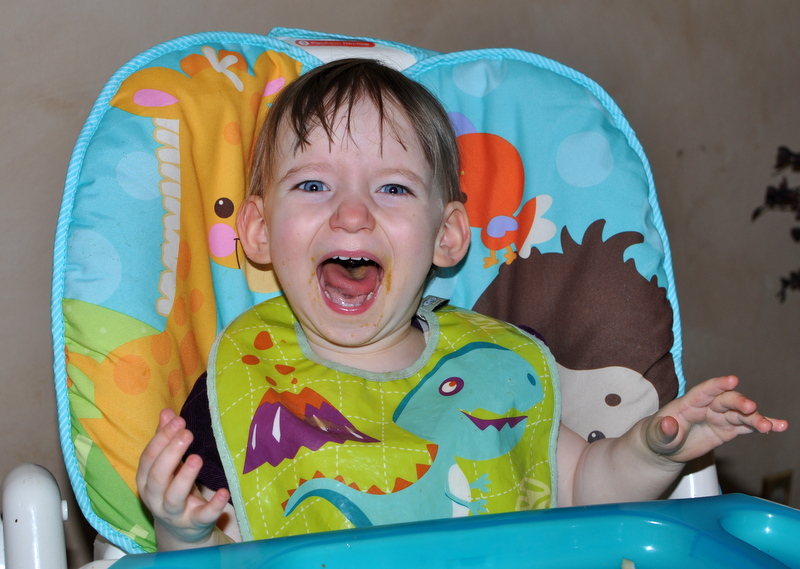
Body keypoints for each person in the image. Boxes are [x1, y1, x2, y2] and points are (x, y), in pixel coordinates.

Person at [136, 58, 788, 551]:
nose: (352, 213)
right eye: (312, 184)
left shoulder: (493, 369)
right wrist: (181, 530)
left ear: (447, 235)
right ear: (257, 230)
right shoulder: (246, 387)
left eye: (393, 188)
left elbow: (583, 486)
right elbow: (219, 556)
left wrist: (654, 451)